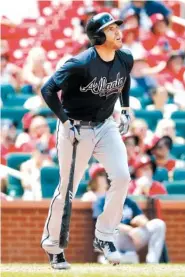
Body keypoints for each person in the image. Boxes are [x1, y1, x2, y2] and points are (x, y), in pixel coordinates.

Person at [40, 12, 133, 269]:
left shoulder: (125, 58)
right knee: (67, 191)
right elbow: (47, 89)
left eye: (117, 27)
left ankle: (104, 237)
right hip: (76, 129)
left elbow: (123, 81)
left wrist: (124, 109)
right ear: (99, 35)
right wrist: (65, 122)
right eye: (112, 28)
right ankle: (54, 247)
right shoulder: (79, 63)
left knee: (123, 176)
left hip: (105, 125)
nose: (118, 31)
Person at [93, 195, 166, 264]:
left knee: (158, 224)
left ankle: (152, 262)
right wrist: (130, 230)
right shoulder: (102, 201)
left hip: (130, 239)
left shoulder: (129, 202)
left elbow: (141, 217)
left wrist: (142, 222)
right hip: (112, 239)